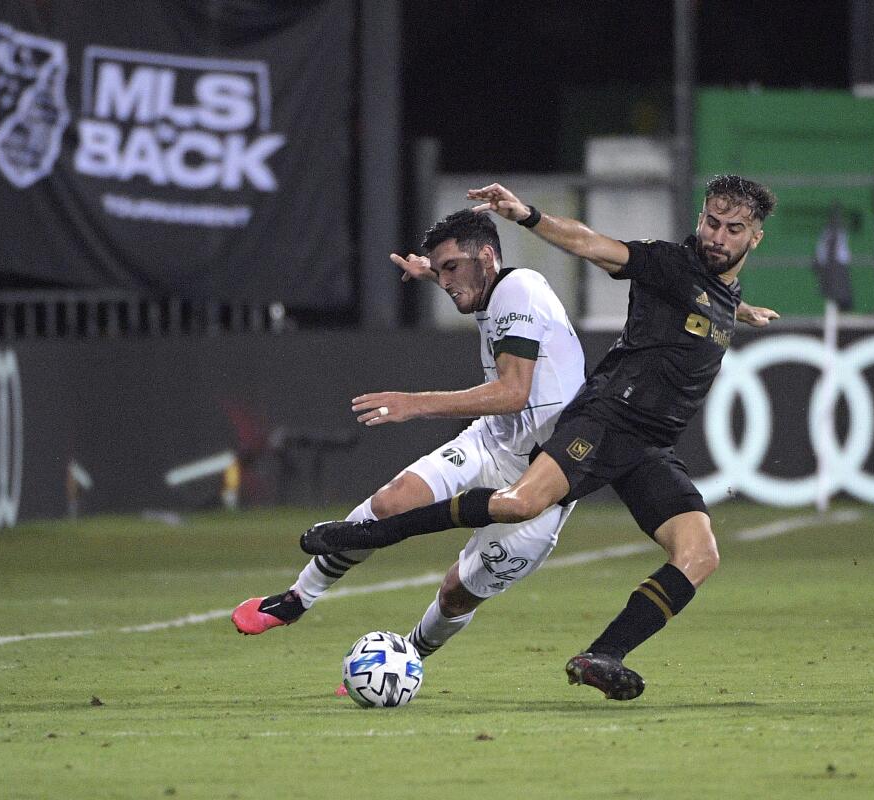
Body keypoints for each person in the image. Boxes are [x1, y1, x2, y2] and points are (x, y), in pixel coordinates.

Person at [301, 175, 780, 700]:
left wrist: (739, 310)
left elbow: (705, 300)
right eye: (712, 222)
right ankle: (372, 534)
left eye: (733, 229)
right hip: (607, 418)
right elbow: (590, 243)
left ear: (754, 238)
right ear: (700, 219)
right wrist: (526, 215)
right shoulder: (670, 264)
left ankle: (603, 654)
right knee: (517, 505)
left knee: (699, 553)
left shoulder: (718, 292)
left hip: (648, 446)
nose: (718, 236)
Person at [232, 208, 586, 665]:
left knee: (457, 592)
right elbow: (476, 298)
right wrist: (430, 272)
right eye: (439, 272)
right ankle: (297, 598)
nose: (445, 282)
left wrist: (414, 403)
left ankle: (406, 660)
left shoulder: (520, 289)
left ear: (486, 256)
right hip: (493, 441)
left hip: (545, 479)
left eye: (452, 268)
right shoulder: (493, 290)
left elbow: (514, 392)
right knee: (391, 503)